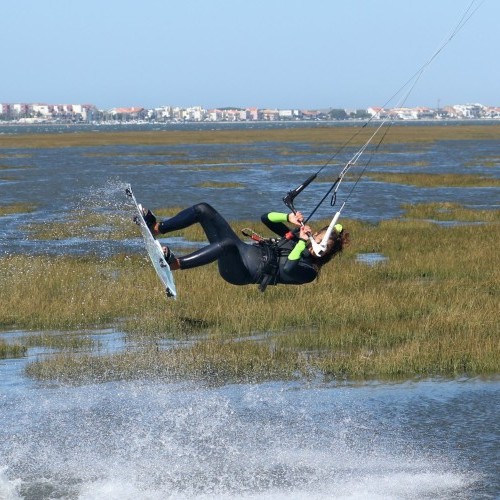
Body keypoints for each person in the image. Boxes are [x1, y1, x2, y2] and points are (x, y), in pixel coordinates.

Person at [142, 202, 348, 291]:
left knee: (227, 245)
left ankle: (176, 263)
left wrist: (302, 242)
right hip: (242, 249)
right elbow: (266, 218)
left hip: (241, 273)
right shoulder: (297, 240)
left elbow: (288, 268)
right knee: (203, 209)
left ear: (326, 254)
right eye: (318, 239)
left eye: (322, 247)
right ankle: (158, 228)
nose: (316, 245)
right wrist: (289, 218)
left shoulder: (310, 271)